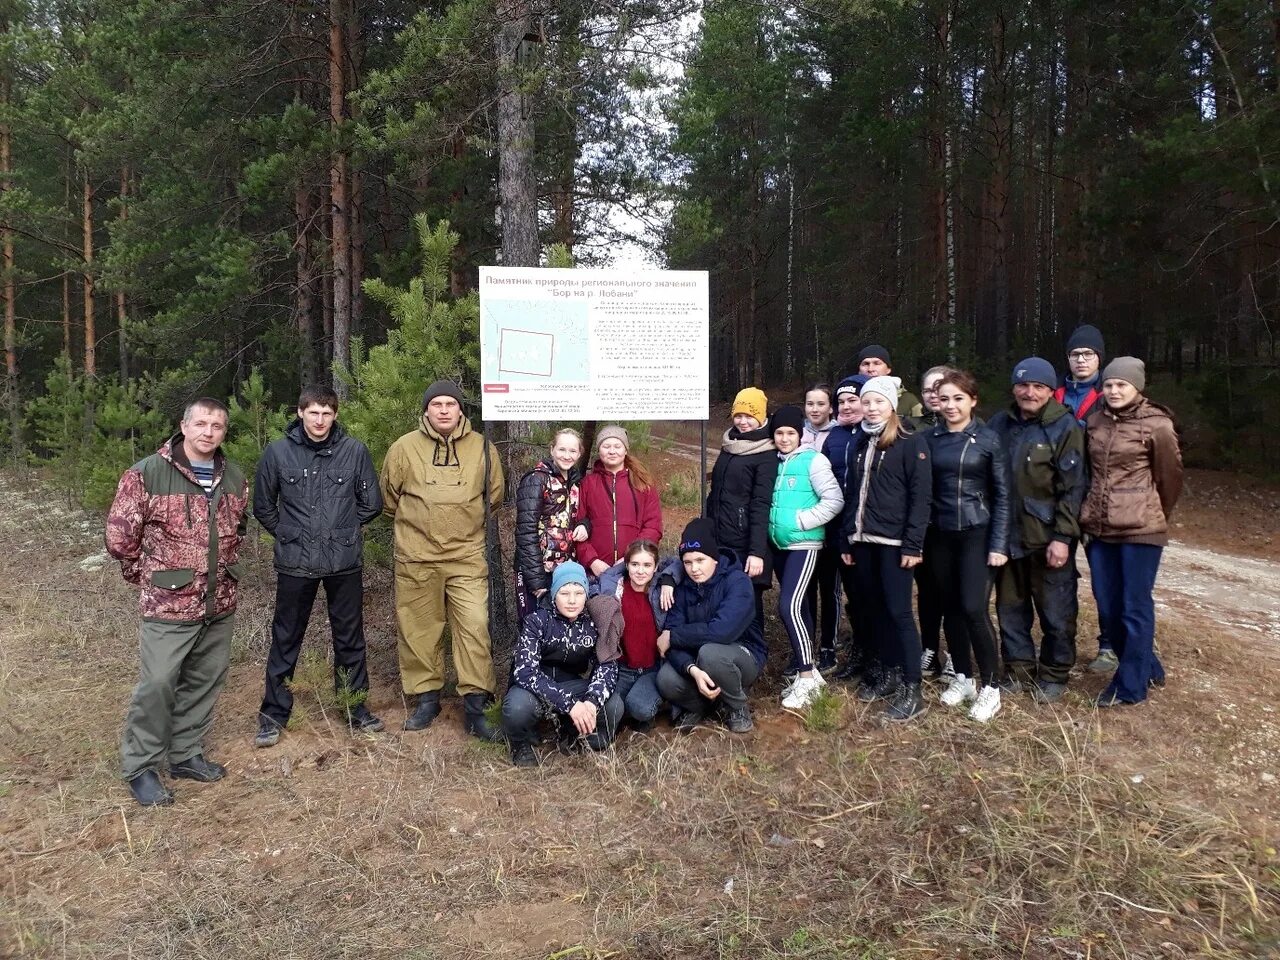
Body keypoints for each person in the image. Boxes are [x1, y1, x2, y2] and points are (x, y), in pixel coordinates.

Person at [105, 398, 249, 807]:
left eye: (217, 426)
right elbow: (120, 539)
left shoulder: (234, 476)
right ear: (184, 426)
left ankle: (185, 753)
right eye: (201, 423)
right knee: (158, 683)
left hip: (219, 600)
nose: (208, 432)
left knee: (205, 679)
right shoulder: (147, 473)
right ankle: (141, 766)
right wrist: (149, 578)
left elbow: (237, 529)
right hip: (169, 603)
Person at [252, 385, 385, 748]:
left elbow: (372, 502)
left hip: (343, 562)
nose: (320, 420)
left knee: (349, 638)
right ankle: (273, 715)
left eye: (327, 413)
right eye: (313, 412)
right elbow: (263, 505)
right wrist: (289, 534)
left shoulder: (354, 451)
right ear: (300, 413)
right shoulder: (278, 452)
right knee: (286, 637)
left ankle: (354, 708)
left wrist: (340, 530)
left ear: (336, 415)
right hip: (296, 563)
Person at [380, 380, 503, 740]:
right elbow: (389, 499)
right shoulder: (404, 448)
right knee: (419, 630)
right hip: (417, 557)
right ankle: (427, 699)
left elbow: (492, 498)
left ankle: (477, 706)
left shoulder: (482, 448)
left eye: (451, 403)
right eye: (437, 404)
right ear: (427, 410)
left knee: (474, 627)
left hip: (466, 556)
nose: (445, 410)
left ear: (461, 409)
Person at [1080, 358, 1183, 707]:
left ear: (1137, 387)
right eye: (1108, 385)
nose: (1113, 391)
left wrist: (1154, 511)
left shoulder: (1158, 425)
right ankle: (1147, 666)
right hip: (1099, 527)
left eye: (1121, 385)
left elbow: (1170, 478)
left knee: (1133, 606)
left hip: (1142, 530)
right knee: (1108, 606)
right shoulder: (1094, 421)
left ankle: (1130, 687)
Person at [987, 358, 1088, 703]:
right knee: (1010, 609)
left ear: (1050, 390)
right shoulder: (999, 424)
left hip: (1046, 537)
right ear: (1014, 387)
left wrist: (1063, 538)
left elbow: (1073, 488)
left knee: (1057, 612)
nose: (1029, 393)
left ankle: (1055, 673)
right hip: (1006, 537)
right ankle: (1018, 669)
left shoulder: (1064, 428)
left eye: (1038, 387)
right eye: (1023, 385)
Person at [839, 376, 932, 722]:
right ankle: (889, 672)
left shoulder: (910, 442)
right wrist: (848, 535)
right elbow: (852, 493)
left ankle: (913, 688)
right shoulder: (860, 441)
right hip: (862, 542)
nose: (872, 407)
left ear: (892, 405)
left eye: (879, 402)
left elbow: (921, 499)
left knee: (899, 613)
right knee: (873, 610)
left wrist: (913, 543)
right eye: (867, 401)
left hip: (894, 544)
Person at [926, 370, 1011, 723]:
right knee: (949, 609)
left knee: (974, 608)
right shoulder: (928, 440)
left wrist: (999, 544)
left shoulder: (989, 440)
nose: (950, 405)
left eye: (958, 398)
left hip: (977, 532)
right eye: (944, 398)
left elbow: (1004, 495)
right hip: (939, 534)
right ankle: (963, 677)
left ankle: (991, 687)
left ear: (973, 400)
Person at [503, 562, 623, 766]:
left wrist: (591, 702)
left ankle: (578, 735)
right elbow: (525, 672)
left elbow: (607, 666)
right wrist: (570, 704)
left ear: (586, 594)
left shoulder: (593, 623)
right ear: (553, 594)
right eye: (564, 593)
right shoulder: (536, 621)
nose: (572, 601)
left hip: (572, 685)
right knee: (516, 708)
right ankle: (520, 743)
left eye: (578, 593)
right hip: (535, 689)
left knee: (614, 705)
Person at [656, 518, 763, 733]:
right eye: (687, 562)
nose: (694, 569)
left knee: (711, 653)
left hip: (743, 655)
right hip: (699, 659)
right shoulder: (684, 587)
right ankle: (705, 705)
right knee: (665, 679)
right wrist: (692, 669)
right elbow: (672, 641)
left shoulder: (737, 581)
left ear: (714, 558)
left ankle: (737, 707)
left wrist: (673, 635)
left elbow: (722, 631)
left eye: (700, 560)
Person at [768, 405, 844, 708]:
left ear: (800, 435)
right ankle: (807, 672)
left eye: (790, 433)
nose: (785, 438)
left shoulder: (814, 460)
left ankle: (808, 675)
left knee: (788, 605)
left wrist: (802, 521)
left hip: (804, 545)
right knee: (800, 608)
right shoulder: (774, 462)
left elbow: (834, 500)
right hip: (779, 546)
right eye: (779, 433)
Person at [1056, 324, 1116, 674]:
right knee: (1060, 579)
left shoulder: (1111, 396)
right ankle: (1060, 644)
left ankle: (1108, 646)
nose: (1081, 360)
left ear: (1099, 359)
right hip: (1061, 499)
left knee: (1104, 577)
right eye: (1075, 354)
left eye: (1088, 354)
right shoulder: (1054, 395)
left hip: (1097, 499)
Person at [704, 387, 778, 658]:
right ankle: (728, 649)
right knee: (725, 594)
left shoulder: (766, 454)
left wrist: (757, 552)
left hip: (747, 542)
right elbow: (717, 494)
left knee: (749, 599)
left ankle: (755, 653)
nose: (743, 421)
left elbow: (761, 504)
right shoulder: (730, 445)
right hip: (721, 538)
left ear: (761, 417)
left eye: (750, 415)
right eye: (738, 415)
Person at [593, 539, 679, 730]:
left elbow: (678, 563)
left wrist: (669, 580)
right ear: (627, 565)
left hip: (653, 668)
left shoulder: (659, 590)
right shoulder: (614, 589)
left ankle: (654, 706)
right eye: (635, 564)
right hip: (623, 668)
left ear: (656, 567)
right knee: (609, 709)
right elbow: (593, 587)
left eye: (647, 565)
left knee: (640, 708)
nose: (640, 571)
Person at [514, 428, 586, 623]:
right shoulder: (536, 479)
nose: (567, 455)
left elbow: (581, 516)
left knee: (558, 630)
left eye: (572, 451)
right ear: (552, 449)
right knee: (533, 626)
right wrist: (536, 581)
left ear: (579, 454)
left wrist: (584, 524)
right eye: (562, 449)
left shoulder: (576, 483)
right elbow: (525, 531)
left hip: (564, 569)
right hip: (536, 570)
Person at [825, 374, 870, 682]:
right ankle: (859, 653)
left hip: (864, 529)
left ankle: (877, 656)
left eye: (852, 400)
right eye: (841, 402)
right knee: (849, 593)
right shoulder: (835, 437)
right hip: (835, 528)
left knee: (868, 596)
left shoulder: (871, 435)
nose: (846, 406)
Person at [573, 426, 663, 577]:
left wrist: (632, 557)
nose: (612, 451)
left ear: (626, 450)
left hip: (634, 569)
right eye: (606, 446)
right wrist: (592, 561)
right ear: (599, 450)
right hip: (596, 571)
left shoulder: (643, 483)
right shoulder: (587, 484)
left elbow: (653, 526)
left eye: (617, 446)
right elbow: (577, 526)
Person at [916, 364, 956, 683]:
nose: (934, 395)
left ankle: (957, 654)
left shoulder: (968, 428)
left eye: (939, 388)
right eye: (928, 390)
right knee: (927, 591)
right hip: (923, 526)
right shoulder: (913, 428)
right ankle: (929, 649)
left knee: (953, 592)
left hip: (955, 525)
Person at [799, 383, 842, 671]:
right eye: (810, 403)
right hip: (803, 527)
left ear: (830, 407)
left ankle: (829, 645)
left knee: (830, 588)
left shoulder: (839, 434)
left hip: (832, 524)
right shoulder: (796, 434)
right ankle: (807, 645)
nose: (815, 409)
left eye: (820, 404)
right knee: (806, 589)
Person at [856, 344, 923, 418]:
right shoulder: (849, 399)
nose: (870, 369)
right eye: (865, 364)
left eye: (877, 363)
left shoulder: (908, 400)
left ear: (888, 369)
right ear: (859, 370)